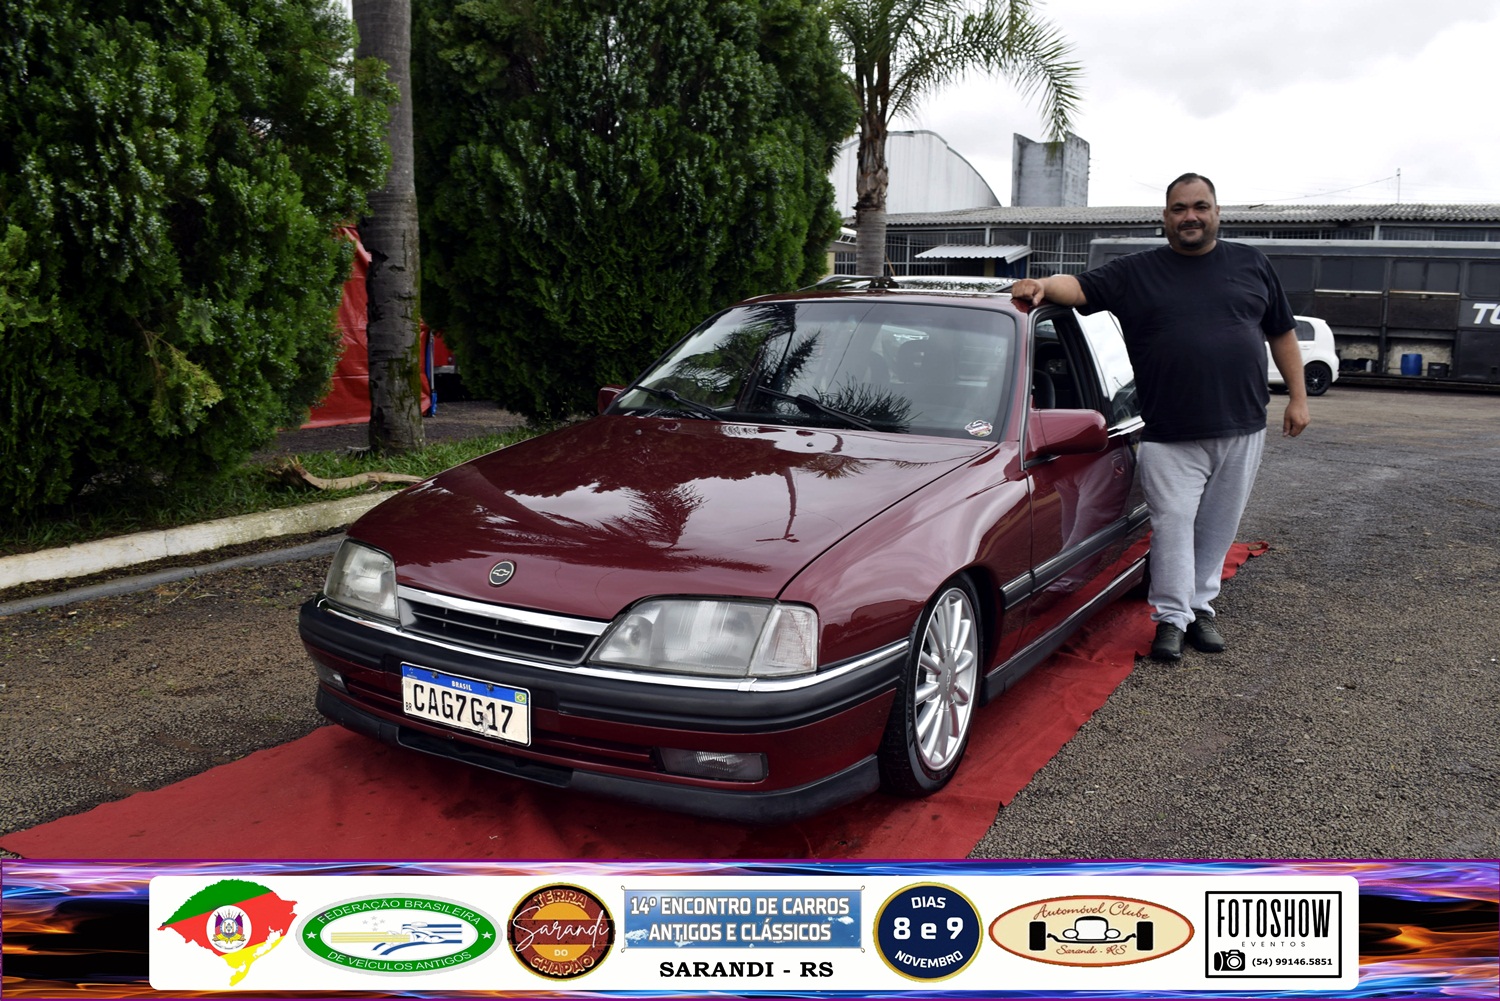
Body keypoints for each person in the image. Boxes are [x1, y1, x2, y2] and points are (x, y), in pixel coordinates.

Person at [1010, 172, 1310, 661]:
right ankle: (1170, 619)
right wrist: (1042, 284)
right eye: (1179, 208)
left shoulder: (1252, 264)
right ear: (1165, 217)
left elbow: (1281, 333)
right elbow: (1078, 287)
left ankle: (1200, 608)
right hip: (1169, 431)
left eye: (1200, 206)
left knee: (1217, 526)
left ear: (1216, 212)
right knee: (1172, 527)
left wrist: (1298, 397)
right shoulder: (1137, 272)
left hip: (1242, 426)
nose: (1190, 216)